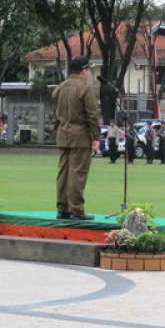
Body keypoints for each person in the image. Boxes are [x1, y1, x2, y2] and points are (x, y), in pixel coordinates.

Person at [52, 56, 100, 220]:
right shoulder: (85, 88)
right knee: (77, 173)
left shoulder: (59, 88)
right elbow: (92, 115)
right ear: (83, 70)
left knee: (63, 172)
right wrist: (96, 136)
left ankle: (62, 208)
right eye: (88, 70)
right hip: (80, 135)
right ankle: (77, 209)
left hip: (63, 134)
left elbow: (55, 115)